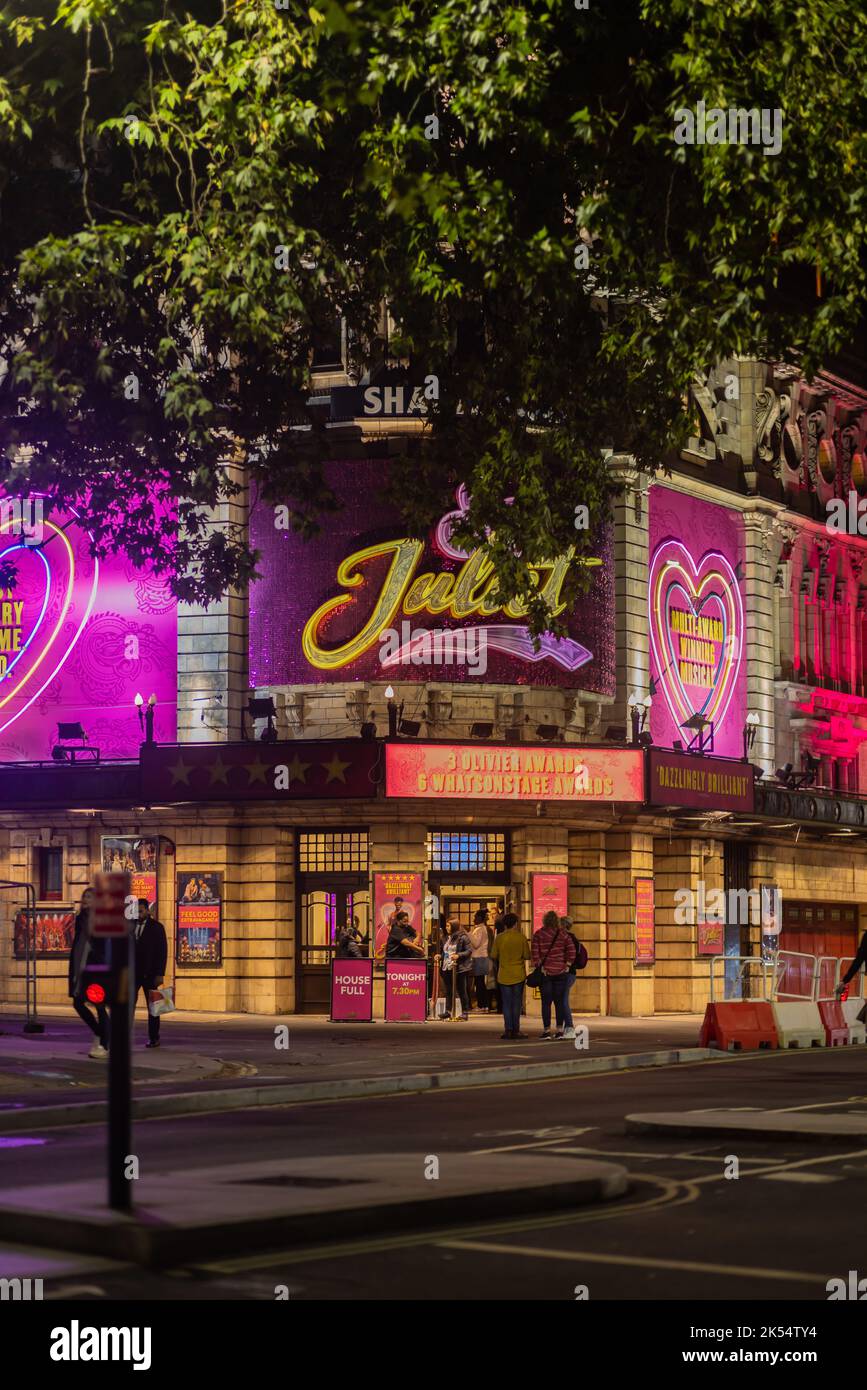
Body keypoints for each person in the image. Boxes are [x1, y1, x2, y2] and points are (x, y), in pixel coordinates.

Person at [69, 888, 109, 1059]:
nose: (86, 899)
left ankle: (104, 1044)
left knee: (99, 1006)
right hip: (81, 967)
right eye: (84, 896)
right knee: (78, 1003)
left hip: (96, 968)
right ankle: (101, 1034)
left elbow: (101, 944)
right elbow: (78, 944)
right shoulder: (80, 918)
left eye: (90, 897)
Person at [531, 908, 577, 1040]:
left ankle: (546, 1031)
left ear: (544, 921)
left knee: (546, 1003)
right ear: (556, 921)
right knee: (558, 1003)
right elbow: (572, 950)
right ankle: (559, 1030)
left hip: (546, 973)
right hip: (561, 973)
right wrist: (567, 965)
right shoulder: (562, 934)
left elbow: (535, 952)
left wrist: (540, 966)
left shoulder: (539, 934)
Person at [133, 897, 168, 1048]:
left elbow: (162, 952)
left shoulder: (157, 927)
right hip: (133, 974)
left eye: (141, 911)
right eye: (136, 911)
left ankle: (154, 1038)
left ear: (147, 911)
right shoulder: (129, 926)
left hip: (150, 974)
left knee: (154, 1008)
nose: (138, 914)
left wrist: (160, 974)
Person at [490, 912, 531, 1039]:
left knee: (507, 1004)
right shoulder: (521, 938)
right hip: (518, 975)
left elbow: (493, 955)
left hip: (503, 975)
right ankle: (516, 1030)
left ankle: (508, 1030)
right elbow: (527, 956)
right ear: (515, 924)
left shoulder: (499, 938)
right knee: (516, 1004)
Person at [559, 914, 585, 1041]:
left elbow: (570, 955)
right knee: (562, 999)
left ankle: (569, 1027)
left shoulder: (567, 938)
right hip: (570, 973)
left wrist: (567, 965)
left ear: (563, 925)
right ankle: (564, 1028)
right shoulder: (574, 938)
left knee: (563, 1000)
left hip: (567, 972)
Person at [441, 918, 473, 1019]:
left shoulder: (463, 937)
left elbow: (469, 951)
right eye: (446, 926)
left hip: (459, 967)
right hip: (447, 966)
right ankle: (448, 1011)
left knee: (461, 990)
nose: (446, 928)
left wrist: (458, 955)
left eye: (448, 926)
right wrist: (439, 956)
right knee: (448, 990)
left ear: (454, 926)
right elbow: (445, 951)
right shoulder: (446, 937)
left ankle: (465, 1012)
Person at [468, 907, 492, 1012]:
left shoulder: (479, 929)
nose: (473, 919)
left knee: (479, 983)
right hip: (483, 957)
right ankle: (485, 1005)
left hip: (479, 958)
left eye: (475, 917)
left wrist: (468, 933)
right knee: (481, 982)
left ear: (479, 918)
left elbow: (476, 944)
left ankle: (481, 1005)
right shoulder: (484, 929)